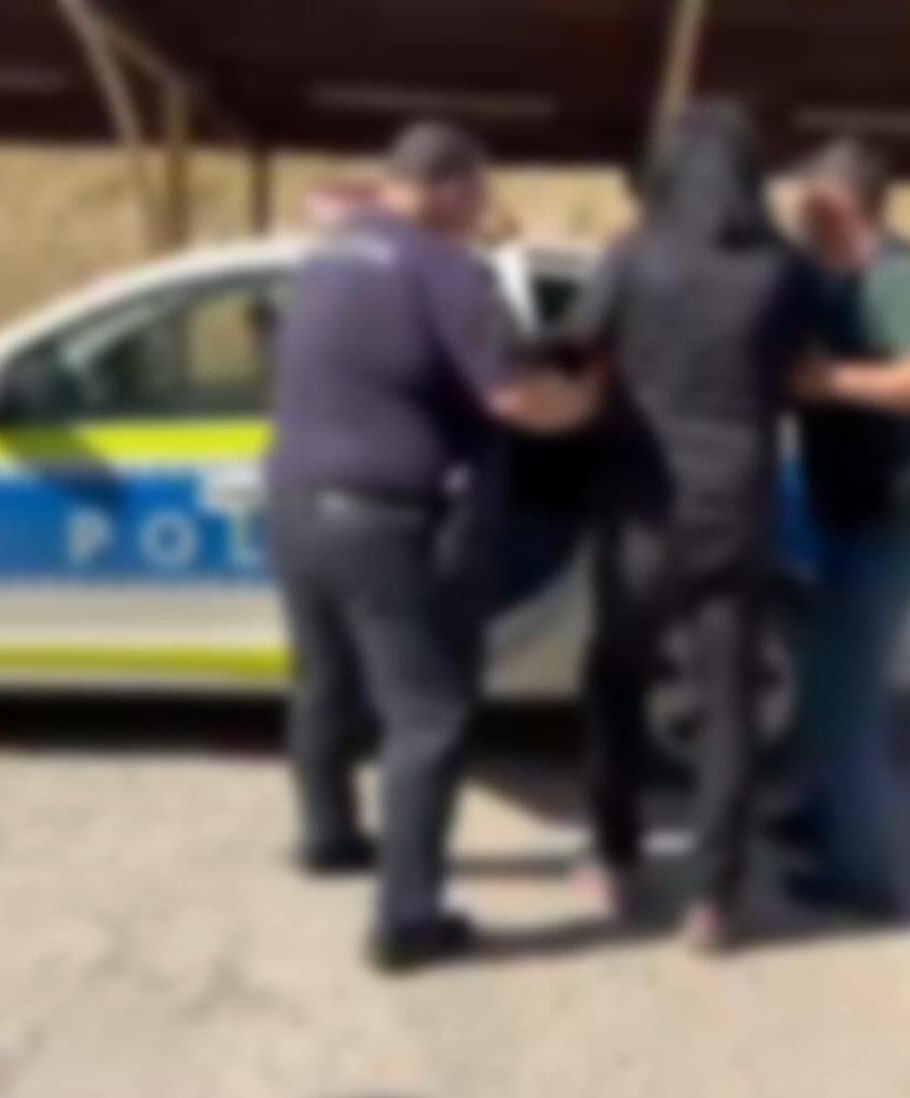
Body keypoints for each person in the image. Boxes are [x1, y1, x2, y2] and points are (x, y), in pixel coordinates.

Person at [266, 120, 603, 972]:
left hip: (294, 510)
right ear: (453, 190)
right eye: (479, 194)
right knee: (427, 719)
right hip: (383, 525)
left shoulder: (326, 258)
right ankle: (408, 920)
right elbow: (515, 399)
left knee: (325, 684)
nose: (482, 210)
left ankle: (327, 837)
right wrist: (591, 402)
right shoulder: (446, 270)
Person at [558, 103, 818, 952]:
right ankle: (715, 898)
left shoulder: (633, 255)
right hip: (736, 501)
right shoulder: (783, 266)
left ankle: (615, 859)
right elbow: (800, 368)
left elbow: (573, 348)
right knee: (729, 699)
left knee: (616, 679)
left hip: (641, 502)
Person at [780, 138, 910, 919]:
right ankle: (820, 815)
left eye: (807, 196)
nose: (796, 208)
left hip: (895, 511)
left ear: (843, 202)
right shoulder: (840, 278)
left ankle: (860, 875)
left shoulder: (905, 278)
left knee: (852, 695)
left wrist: (831, 381)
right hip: (852, 506)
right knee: (826, 677)